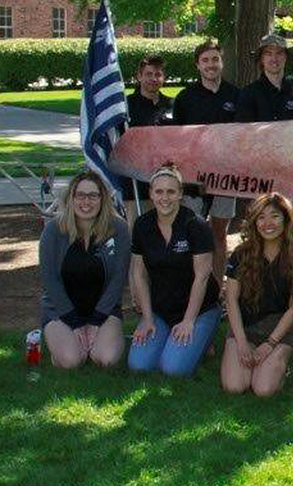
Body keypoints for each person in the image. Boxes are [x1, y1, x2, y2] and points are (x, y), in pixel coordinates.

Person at [127, 163, 221, 376]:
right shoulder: (142, 225)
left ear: (180, 194)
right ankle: (172, 336)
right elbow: (138, 273)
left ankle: (202, 337)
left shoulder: (196, 226)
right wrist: (148, 318)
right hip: (161, 309)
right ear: (151, 193)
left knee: (173, 369)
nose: (165, 198)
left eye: (171, 191)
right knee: (139, 365)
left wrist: (188, 321)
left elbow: (202, 277)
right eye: (159, 191)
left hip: (199, 309)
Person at [221, 193, 293, 396]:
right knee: (235, 387)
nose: (267, 223)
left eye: (275, 216)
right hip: (244, 326)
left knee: (263, 389)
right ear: (254, 223)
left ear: (287, 220)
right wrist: (242, 342)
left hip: (278, 329)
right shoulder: (240, 254)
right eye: (261, 217)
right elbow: (231, 300)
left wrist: (270, 344)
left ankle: (282, 363)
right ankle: (255, 360)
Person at [39, 171, 130, 369]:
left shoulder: (119, 228)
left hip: (104, 310)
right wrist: (74, 322)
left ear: (102, 199)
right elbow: (50, 280)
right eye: (80, 195)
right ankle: (63, 347)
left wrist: (97, 320)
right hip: (60, 311)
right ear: (71, 198)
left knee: (106, 359)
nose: (86, 202)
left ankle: (96, 341)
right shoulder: (53, 230)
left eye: (93, 195)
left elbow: (118, 280)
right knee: (72, 361)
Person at [171, 39, 240, 280]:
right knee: (192, 231)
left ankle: (217, 286)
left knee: (219, 232)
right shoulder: (184, 98)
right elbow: (176, 140)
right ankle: (191, 285)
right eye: (205, 60)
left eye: (215, 59)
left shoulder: (235, 95)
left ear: (222, 62)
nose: (211, 64)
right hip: (193, 179)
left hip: (225, 177)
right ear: (198, 66)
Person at [122, 54, 172, 214]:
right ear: (139, 76)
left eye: (158, 74)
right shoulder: (126, 107)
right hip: (136, 184)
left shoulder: (173, 105)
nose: (153, 79)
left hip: (167, 184)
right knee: (137, 233)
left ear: (163, 77)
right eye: (148, 74)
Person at [235, 33, 293, 123]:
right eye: (268, 53)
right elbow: (244, 131)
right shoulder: (248, 94)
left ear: (286, 57)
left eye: (279, 53)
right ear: (261, 59)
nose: (274, 59)